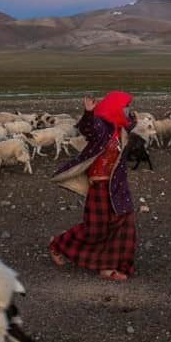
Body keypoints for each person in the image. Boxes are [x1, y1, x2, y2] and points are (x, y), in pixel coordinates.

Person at [48, 91, 139, 282]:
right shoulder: (102, 128)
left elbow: (131, 123)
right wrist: (89, 112)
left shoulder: (120, 129)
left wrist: (131, 117)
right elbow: (88, 129)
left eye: (127, 107)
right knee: (96, 229)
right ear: (114, 107)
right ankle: (58, 244)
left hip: (117, 185)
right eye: (123, 106)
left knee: (123, 225)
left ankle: (110, 266)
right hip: (99, 186)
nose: (126, 110)